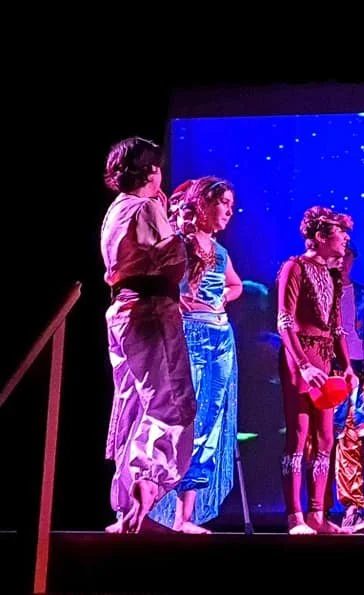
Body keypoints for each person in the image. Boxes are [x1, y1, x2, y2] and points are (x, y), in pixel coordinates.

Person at [100, 137, 196, 533]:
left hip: (123, 311)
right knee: (170, 403)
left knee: (135, 404)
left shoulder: (114, 211)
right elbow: (171, 264)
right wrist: (184, 245)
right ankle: (143, 494)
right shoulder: (145, 207)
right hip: (150, 311)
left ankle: (127, 509)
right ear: (151, 172)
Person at [147, 176, 243, 534]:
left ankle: (185, 516)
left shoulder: (221, 252)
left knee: (209, 422)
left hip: (220, 336)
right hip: (189, 333)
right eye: (224, 204)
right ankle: (146, 505)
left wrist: (223, 298)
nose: (229, 212)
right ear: (202, 204)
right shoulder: (179, 243)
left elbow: (235, 285)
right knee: (179, 418)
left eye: (232, 207)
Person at [276, 206, 359, 535]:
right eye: (341, 233)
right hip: (301, 358)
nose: (346, 238)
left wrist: (348, 367)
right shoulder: (294, 267)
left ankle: (317, 515)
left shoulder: (334, 275)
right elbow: (284, 321)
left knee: (325, 437)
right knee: (298, 435)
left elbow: (338, 328)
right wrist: (303, 364)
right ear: (321, 237)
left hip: (325, 359)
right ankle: (295, 516)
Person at [325, 243, 364, 533]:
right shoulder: (321, 292)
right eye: (338, 257)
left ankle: (352, 508)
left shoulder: (363, 296)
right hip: (324, 369)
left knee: (352, 441)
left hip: (353, 372)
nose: (342, 262)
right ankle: (316, 509)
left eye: (347, 258)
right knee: (320, 442)